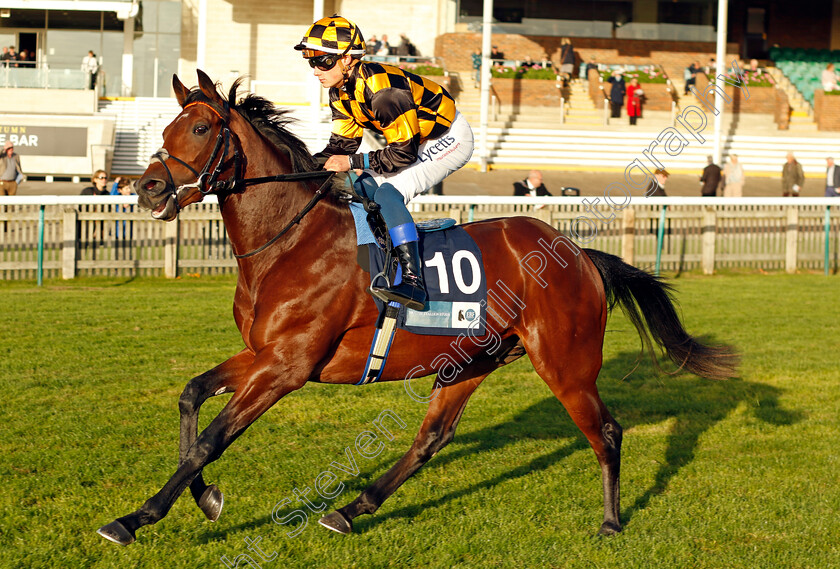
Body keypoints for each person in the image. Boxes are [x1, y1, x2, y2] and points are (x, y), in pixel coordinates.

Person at [295, 15, 474, 311]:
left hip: (448, 137)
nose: (316, 70)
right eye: (310, 61)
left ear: (348, 60)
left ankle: (414, 283)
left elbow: (401, 154)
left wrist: (352, 161)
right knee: (360, 186)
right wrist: (298, 168)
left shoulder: (384, 93)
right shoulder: (340, 92)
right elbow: (341, 146)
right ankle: (379, 259)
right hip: (413, 140)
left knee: (389, 194)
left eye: (323, 61)